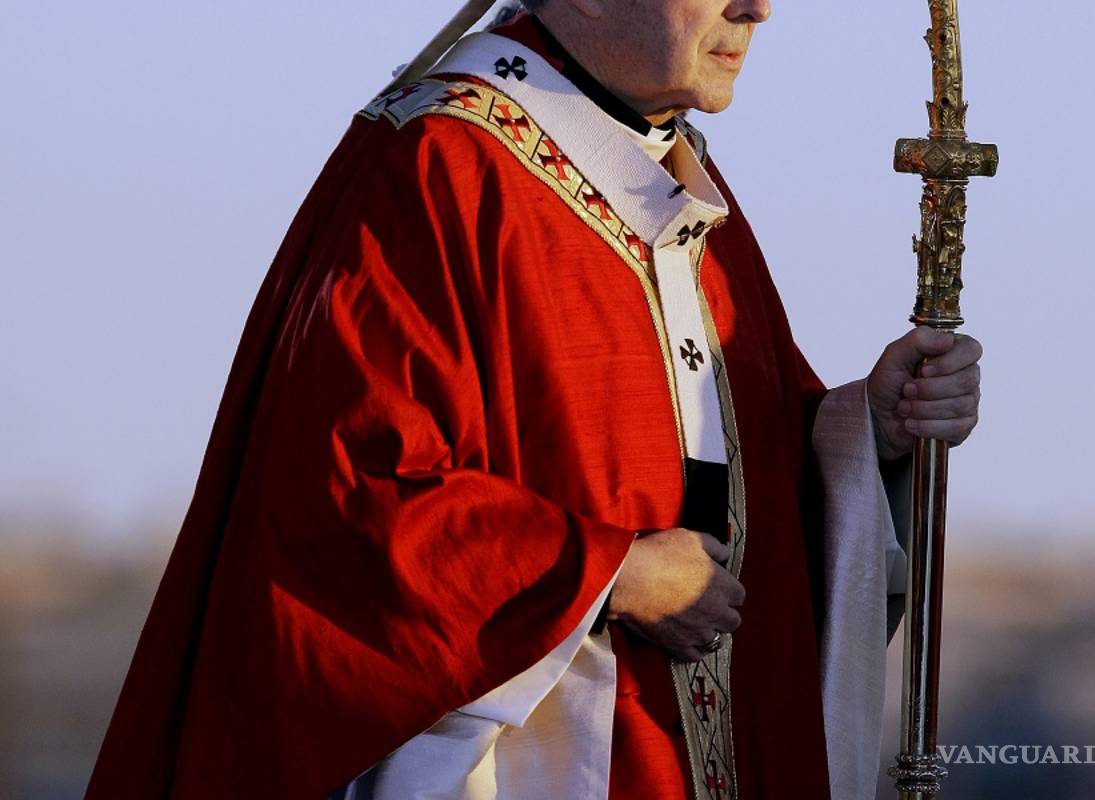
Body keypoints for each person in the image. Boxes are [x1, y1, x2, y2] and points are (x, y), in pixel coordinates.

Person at [86, 2, 983, 799]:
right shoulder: (441, 164)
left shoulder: (667, 173)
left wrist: (870, 430)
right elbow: (347, 501)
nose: (758, 9)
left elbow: (737, 485)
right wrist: (607, 573)